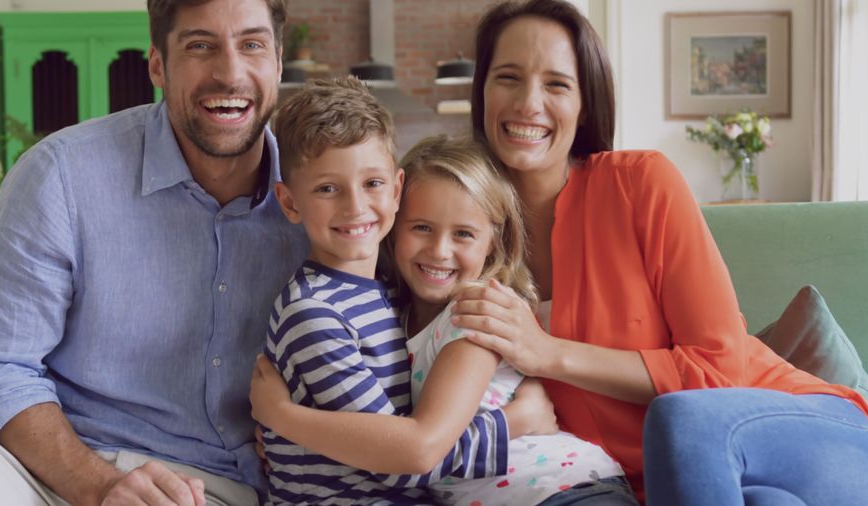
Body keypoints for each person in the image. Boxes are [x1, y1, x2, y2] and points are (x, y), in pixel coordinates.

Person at [0, 0, 308, 506]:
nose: (230, 71)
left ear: (275, 63)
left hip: (208, 490)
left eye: (252, 45)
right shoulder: (63, 174)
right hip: (39, 467)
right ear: (157, 65)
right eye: (200, 46)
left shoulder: (325, 199)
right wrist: (99, 486)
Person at [444, 0, 868, 505]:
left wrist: (549, 354)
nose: (528, 102)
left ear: (584, 103)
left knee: (680, 417)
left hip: (810, 437)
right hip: (667, 487)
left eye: (556, 84)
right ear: (480, 91)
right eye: (507, 77)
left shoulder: (641, 183)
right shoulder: (463, 237)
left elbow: (719, 372)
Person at [252, 134, 637, 506]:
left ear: (493, 243)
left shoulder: (478, 314)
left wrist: (285, 419)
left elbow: (417, 450)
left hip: (564, 490)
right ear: (395, 221)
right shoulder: (388, 310)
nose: (439, 251)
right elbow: (377, 435)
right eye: (422, 227)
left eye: (464, 234)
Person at [258, 78, 554, 505]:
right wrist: (513, 422)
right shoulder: (313, 315)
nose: (355, 206)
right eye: (327, 188)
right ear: (289, 202)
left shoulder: (386, 292)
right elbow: (398, 464)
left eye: (372, 183)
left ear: (396, 190)